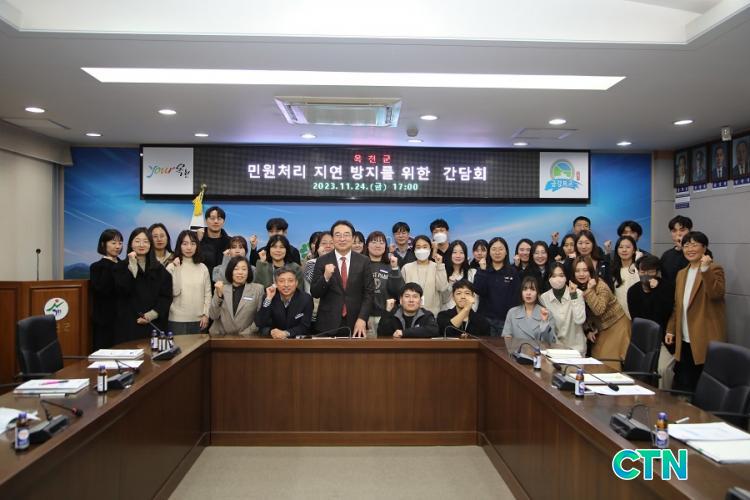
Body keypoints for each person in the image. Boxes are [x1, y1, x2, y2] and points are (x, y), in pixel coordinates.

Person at [665, 232, 726, 392]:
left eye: (694, 245)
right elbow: (677, 305)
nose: (690, 249)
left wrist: (705, 269)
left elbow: (716, 294)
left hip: (704, 337)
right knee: (684, 385)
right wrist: (671, 329)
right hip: (684, 338)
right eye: (686, 245)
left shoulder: (714, 269)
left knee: (704, 388)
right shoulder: (681, 273)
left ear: (704, 248)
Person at [310, 220, 374, 338]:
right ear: (333, 238)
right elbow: (315, 292)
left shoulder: (364, 261)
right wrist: (325, 277)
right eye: (338, 235)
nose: (342, 239)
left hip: (356, 324)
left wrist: (362, 318)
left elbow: (369, 293)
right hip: (327, 324)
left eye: (346, 235)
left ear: (353, 238)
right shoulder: (322, 261)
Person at [113, 227, 172, 344]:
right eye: (137, 241)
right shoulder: (119, 267)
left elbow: (166, 296)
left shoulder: (159, 269)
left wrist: (152, 314)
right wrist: (132, 267)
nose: (141, 245)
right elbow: (123, 290)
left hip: (154, 324)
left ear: (150, 245)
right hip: (128, 325)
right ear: (131, 244)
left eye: (146, 241)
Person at [573, 256, 631, 370]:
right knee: (594, 363)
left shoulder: (600, 285)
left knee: (607, 365)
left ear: (591, 271)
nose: (581, 274)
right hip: (601, 328)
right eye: (577, 271)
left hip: (616, 325)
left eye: (585, 270)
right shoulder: (577, 287)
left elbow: (599, 310)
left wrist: (589, 291)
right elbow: (583, 312)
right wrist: (588, 329)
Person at [627, 255, 675, 388]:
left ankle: (664, 398)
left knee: (662, 370)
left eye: (650, 271)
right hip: (644, 340)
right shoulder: (633, 291)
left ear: (657, 272)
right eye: (642, 271)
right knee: (638, 368)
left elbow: (664, 313)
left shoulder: (667, 288)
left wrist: (656, 291)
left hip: (664, 340)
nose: (646, 275)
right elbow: (637, 319)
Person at [165, 230, 212, 334]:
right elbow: (175, 292)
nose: (189, 247)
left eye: (193, 243)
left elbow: (208, 294)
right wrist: (177, 269)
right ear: (179, 245)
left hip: (200, 321)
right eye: (185, 244)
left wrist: (206, 314)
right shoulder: (171, 267)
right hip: (177, 320)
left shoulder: (203, 267)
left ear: (197, 246)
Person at [473, 237, 521, 336]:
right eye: (494, 249)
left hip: (506, 321)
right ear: (489, 252)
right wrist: (483, 271)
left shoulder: (512, 272)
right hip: (485, 320)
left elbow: (516, 297)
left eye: (501, 249)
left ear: (506, 252)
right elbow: (479, 290)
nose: (497, 252)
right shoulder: (482, 270)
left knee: (504, 346)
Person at [208, 256, 264, 335]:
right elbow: (213, 315)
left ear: (248, 272)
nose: (240, 272)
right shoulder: (221, 288)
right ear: (230, 271)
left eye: (244, 269)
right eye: (236, 269)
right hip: (221, 336)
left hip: (246, 336)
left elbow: (260, 317)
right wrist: (219, 296)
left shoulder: (258, 289)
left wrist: (246, 333)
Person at [363, 231, 405, 336]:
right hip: (365, 317)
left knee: (387, 345)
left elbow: (399, 291)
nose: (378, 245)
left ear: (385, 246)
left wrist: (395, 268)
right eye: (374, 242)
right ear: (367, 245)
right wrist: (362, 316)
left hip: (387, 315)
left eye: (381, 243)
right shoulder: (361, 264)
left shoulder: (391, 265)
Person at [540, 262, 586, 356]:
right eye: (554, 276)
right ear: (548, 278)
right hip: (556, 349)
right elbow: (547, 328)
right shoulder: (544, 298)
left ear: (566, 277)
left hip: (577, 349)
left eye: (561, 275)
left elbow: (579, 320)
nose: (558, 279)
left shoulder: (577, 293)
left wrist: (573, 296)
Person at [256, 265, 313, 338]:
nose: (286, 285)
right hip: (273, 339)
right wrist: (268, 298)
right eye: (281, 281)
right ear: (275, 284)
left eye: (290, 281)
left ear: (296, 283)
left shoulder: (306, 299)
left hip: (296, 340)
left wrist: (286, 333)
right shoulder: (269, 296)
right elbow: (260, 322)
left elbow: (305, 326)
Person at [90, 228, 123, 349]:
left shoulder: (124, 265)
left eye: (120, 243)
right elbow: (101, 290)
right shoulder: (97, 267)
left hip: (123, 318)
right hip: (104, 319)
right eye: (113, 243)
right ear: (103, 244)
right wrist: (110, 264)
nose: (117, 246)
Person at [400, 235, 449, 316]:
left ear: (430, 249)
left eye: (425, 247)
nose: (421, 250)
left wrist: (440, 266)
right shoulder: (406, 268)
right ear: (414, 250)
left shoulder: (437, 266)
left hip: (433, 315)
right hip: (410, 315)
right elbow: (401, 293)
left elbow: (442, 288)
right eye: (418, 247)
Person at [503, 276, 556, 345]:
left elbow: (550, 342)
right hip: (517, 350)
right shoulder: (512, 313)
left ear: (537, 293)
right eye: (525, 289)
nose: (528, 293)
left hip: (539, 351)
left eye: (532, 289)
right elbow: (507, 338)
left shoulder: (547, 313)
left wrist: (545, 322)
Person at [198, 206, 231, 278]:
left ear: (223, 222)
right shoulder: (196, 239)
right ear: (206, 221)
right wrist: (198, 241)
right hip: (201, 281)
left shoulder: (230, 242)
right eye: (212, 218)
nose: (216, 221)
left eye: (219, 218)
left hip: (223, 282)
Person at [442, 239, 476, 310]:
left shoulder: (472, 273)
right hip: (448, 313)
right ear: (449, 254)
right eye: (454, 252)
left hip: (468, 312)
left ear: (465, 255)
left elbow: (475, 297)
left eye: (461, 252)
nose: (458, 256)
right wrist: (450, 284)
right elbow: (443, 299)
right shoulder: (443, 273)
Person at [611, 236, 640, 319]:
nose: (624, 250)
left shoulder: (639, 270)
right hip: (619, 317)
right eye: (620, 247)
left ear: (634, 250)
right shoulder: (613, 271)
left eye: (628, 247)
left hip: (637, 316)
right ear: (617, 250)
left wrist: (637, 263)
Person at [660, 215, 692, 288]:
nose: (678, 234)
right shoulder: (666, 255)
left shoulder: (699, 252)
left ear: (690, 231)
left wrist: (684, 247)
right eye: (674, 231)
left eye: (682, 230)